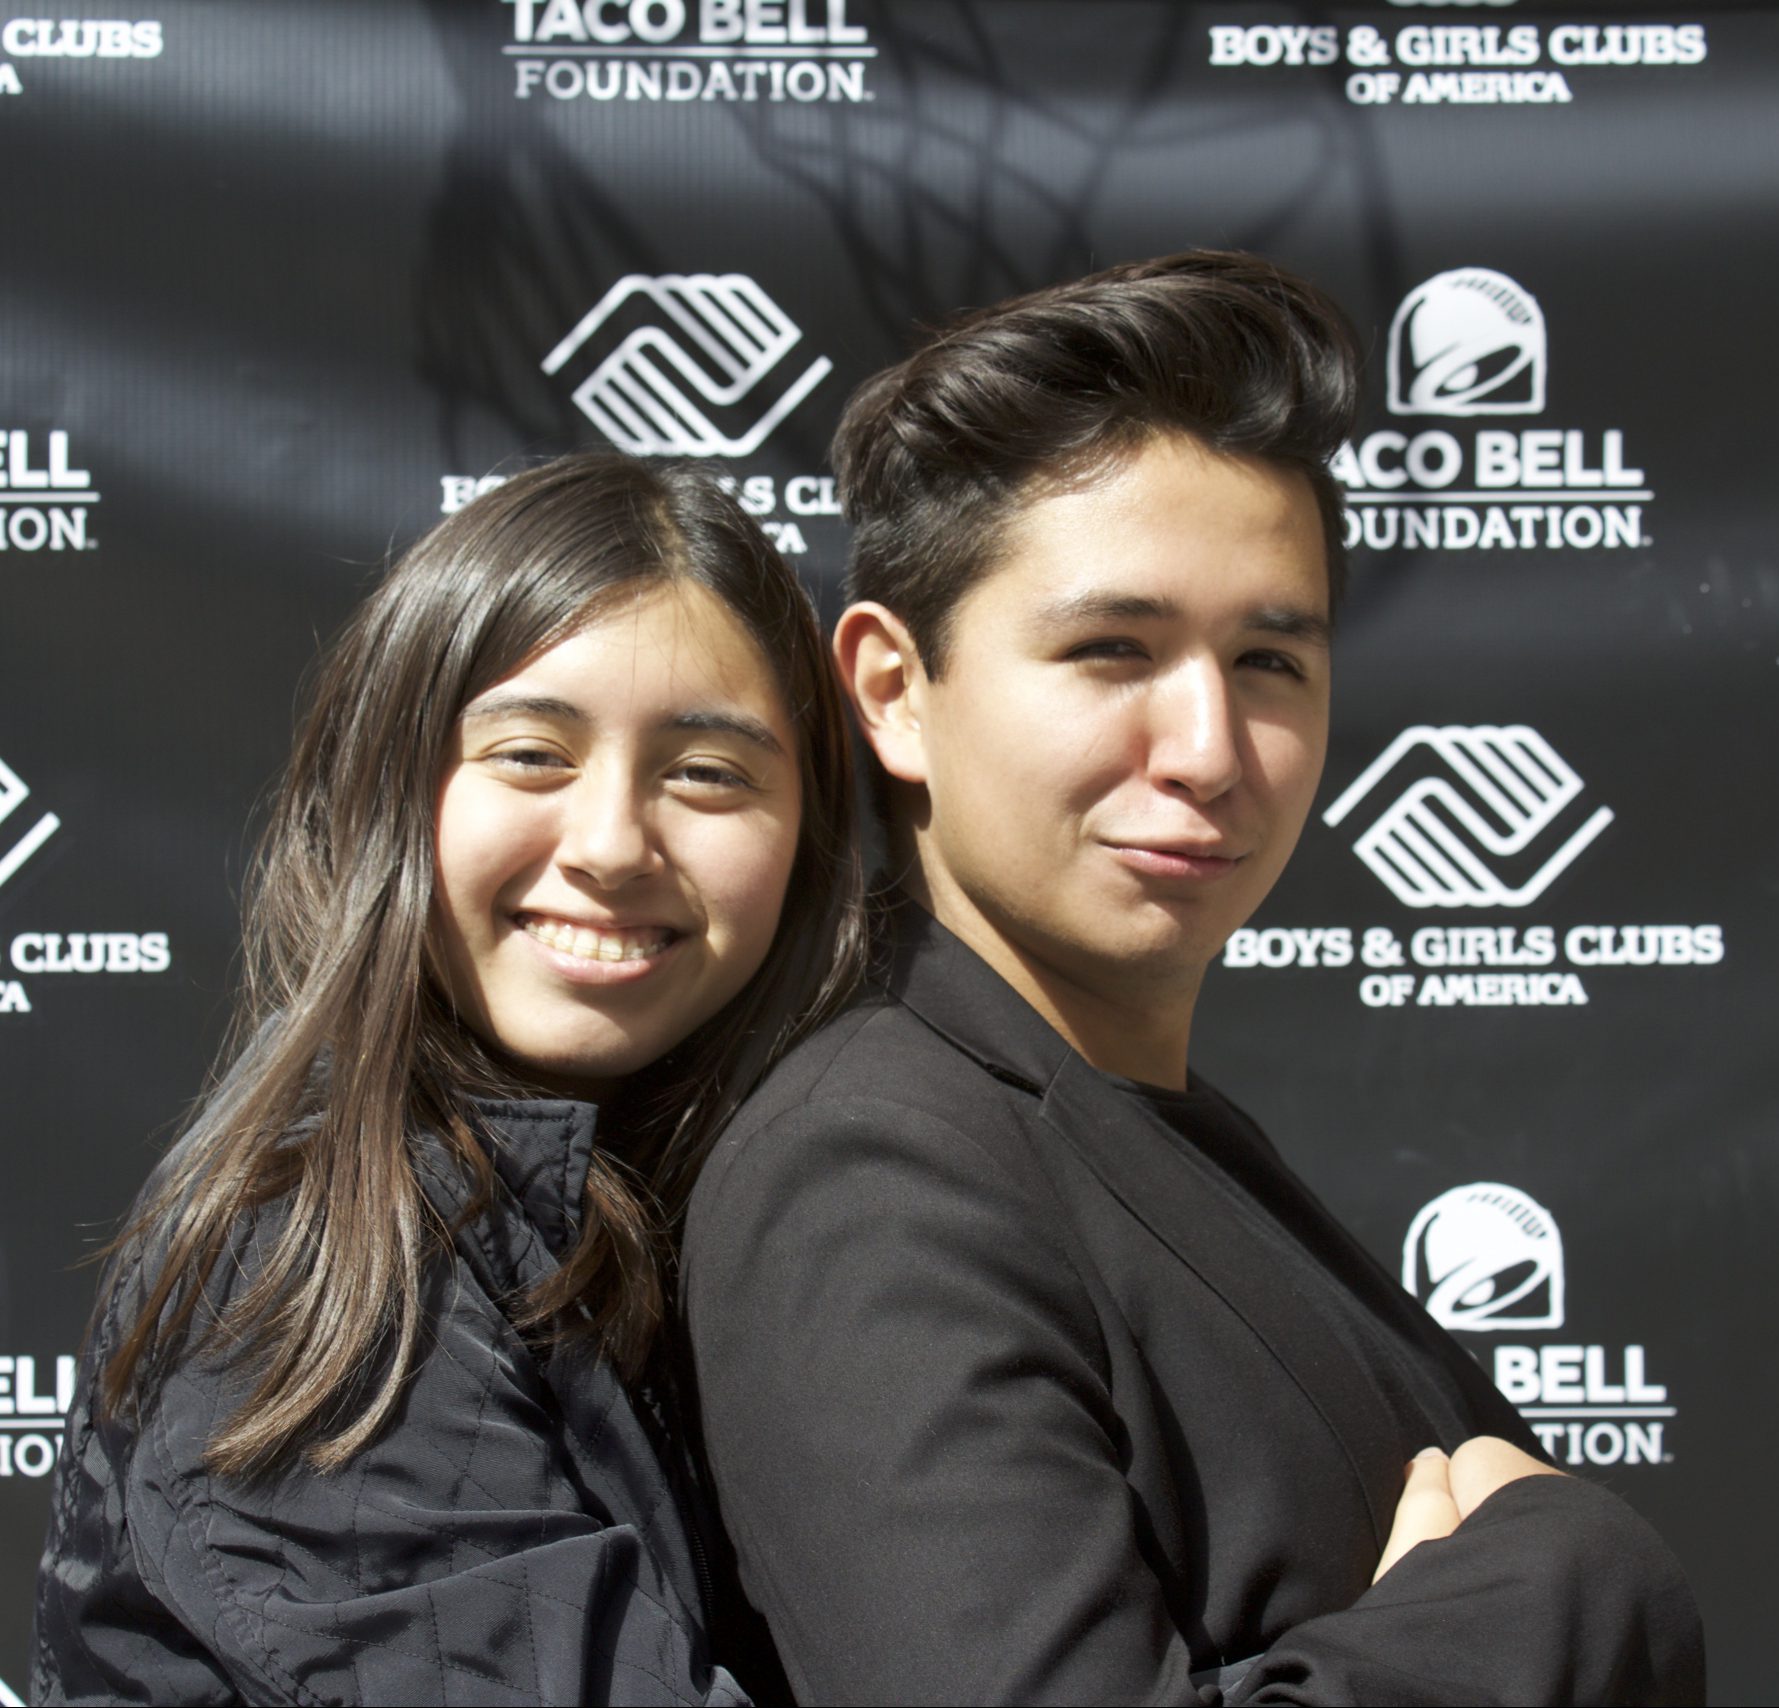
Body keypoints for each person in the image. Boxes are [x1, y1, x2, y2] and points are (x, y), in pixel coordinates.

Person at [681, 253, 1704, 1705]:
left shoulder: (1128, 1124)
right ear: (892, 693)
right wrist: (1564, 1577)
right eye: (1112, 651)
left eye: (1269, 661)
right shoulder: (869, 1172)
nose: (1209, 751)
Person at [32, 452, 863, 1706]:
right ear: (390, 792)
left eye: (705, 772)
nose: (609, 845)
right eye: (532, 754)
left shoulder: (730, 1195)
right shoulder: (317, 1264)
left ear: (810, 834)